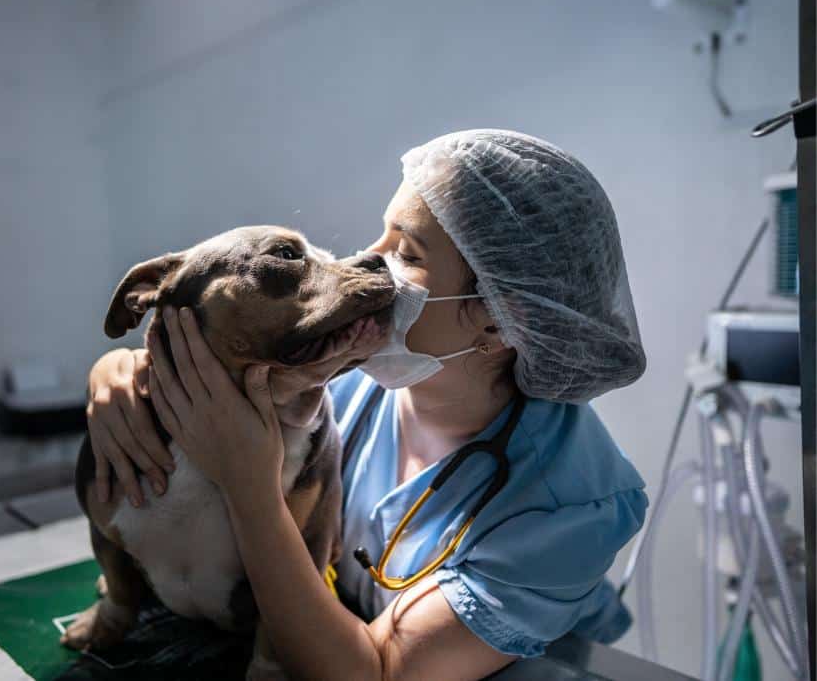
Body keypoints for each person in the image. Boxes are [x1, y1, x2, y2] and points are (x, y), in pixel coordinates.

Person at [85, 130, 648, 680]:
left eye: (407, 252)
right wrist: (123, 375)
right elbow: (240, 356)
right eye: (381, 237)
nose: (368, 263)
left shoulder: (568, 510)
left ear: (502, 319)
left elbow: (376, 671)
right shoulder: (350, 385)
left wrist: (249, 488)